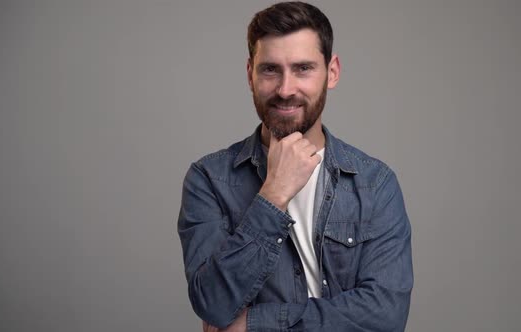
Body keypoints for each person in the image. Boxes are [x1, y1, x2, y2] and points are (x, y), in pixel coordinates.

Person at [177, 2, 413, 331]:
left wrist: (255, 324)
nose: (286, 89)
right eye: (270, 69)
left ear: (332, 72)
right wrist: (274, 194)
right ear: (250, 74)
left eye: (303, 68)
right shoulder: (209, 180)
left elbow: (385, 316)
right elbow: (213, 304)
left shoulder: (376, 184)